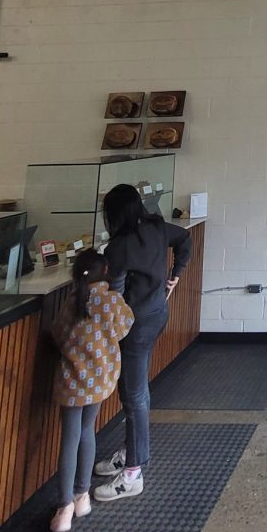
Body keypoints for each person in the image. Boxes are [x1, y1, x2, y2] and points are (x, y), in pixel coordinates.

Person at [91, 184, 192, 501]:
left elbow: (116, 296)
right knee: (137, 392)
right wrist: (176, 273)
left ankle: (133, 473)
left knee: (133, 395)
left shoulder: (117, 248)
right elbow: (185, 239)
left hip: (134, 327)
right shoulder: (157, 228)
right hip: (157, 315)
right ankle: (130, 450)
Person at [49, 249, 133, 532]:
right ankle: (82, 495)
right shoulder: (111, 301)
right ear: (106, 271)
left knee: (69, 438)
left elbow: (58, 334)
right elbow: (126, 325)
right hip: (100, 380)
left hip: (71, 382)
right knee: (88, 431)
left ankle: (64, 508)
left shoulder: (72, 302)